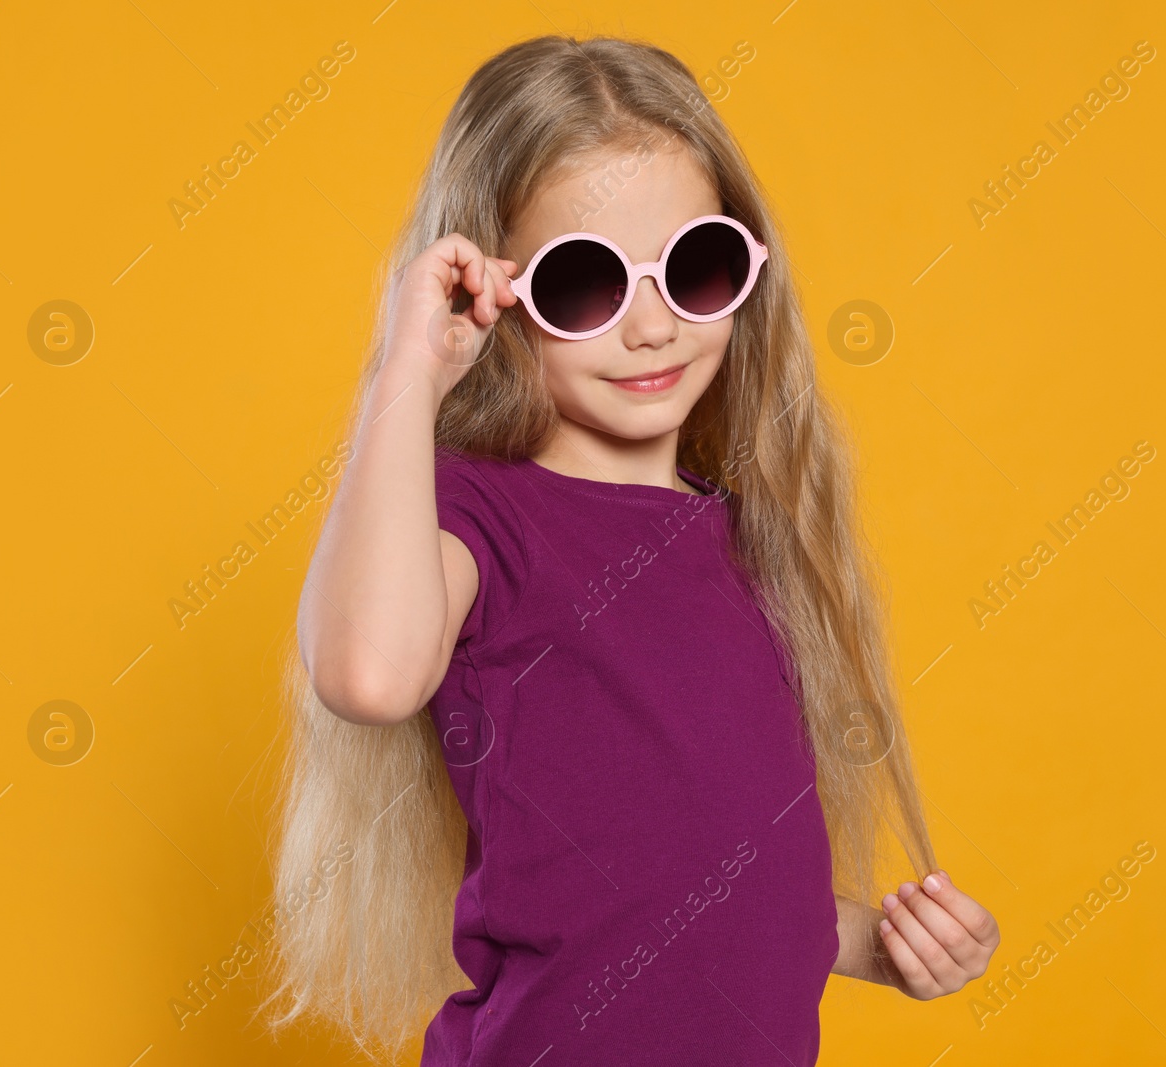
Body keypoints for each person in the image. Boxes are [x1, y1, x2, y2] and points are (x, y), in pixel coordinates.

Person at [261, 33, 998, 1067]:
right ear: (493, 291)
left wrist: (879, 942)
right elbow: (369, 672)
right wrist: (408, 370)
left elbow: (712, 880)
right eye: (583, 284)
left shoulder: (750, 538)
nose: (651, 327)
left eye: (693, 268)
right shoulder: (481, 516)